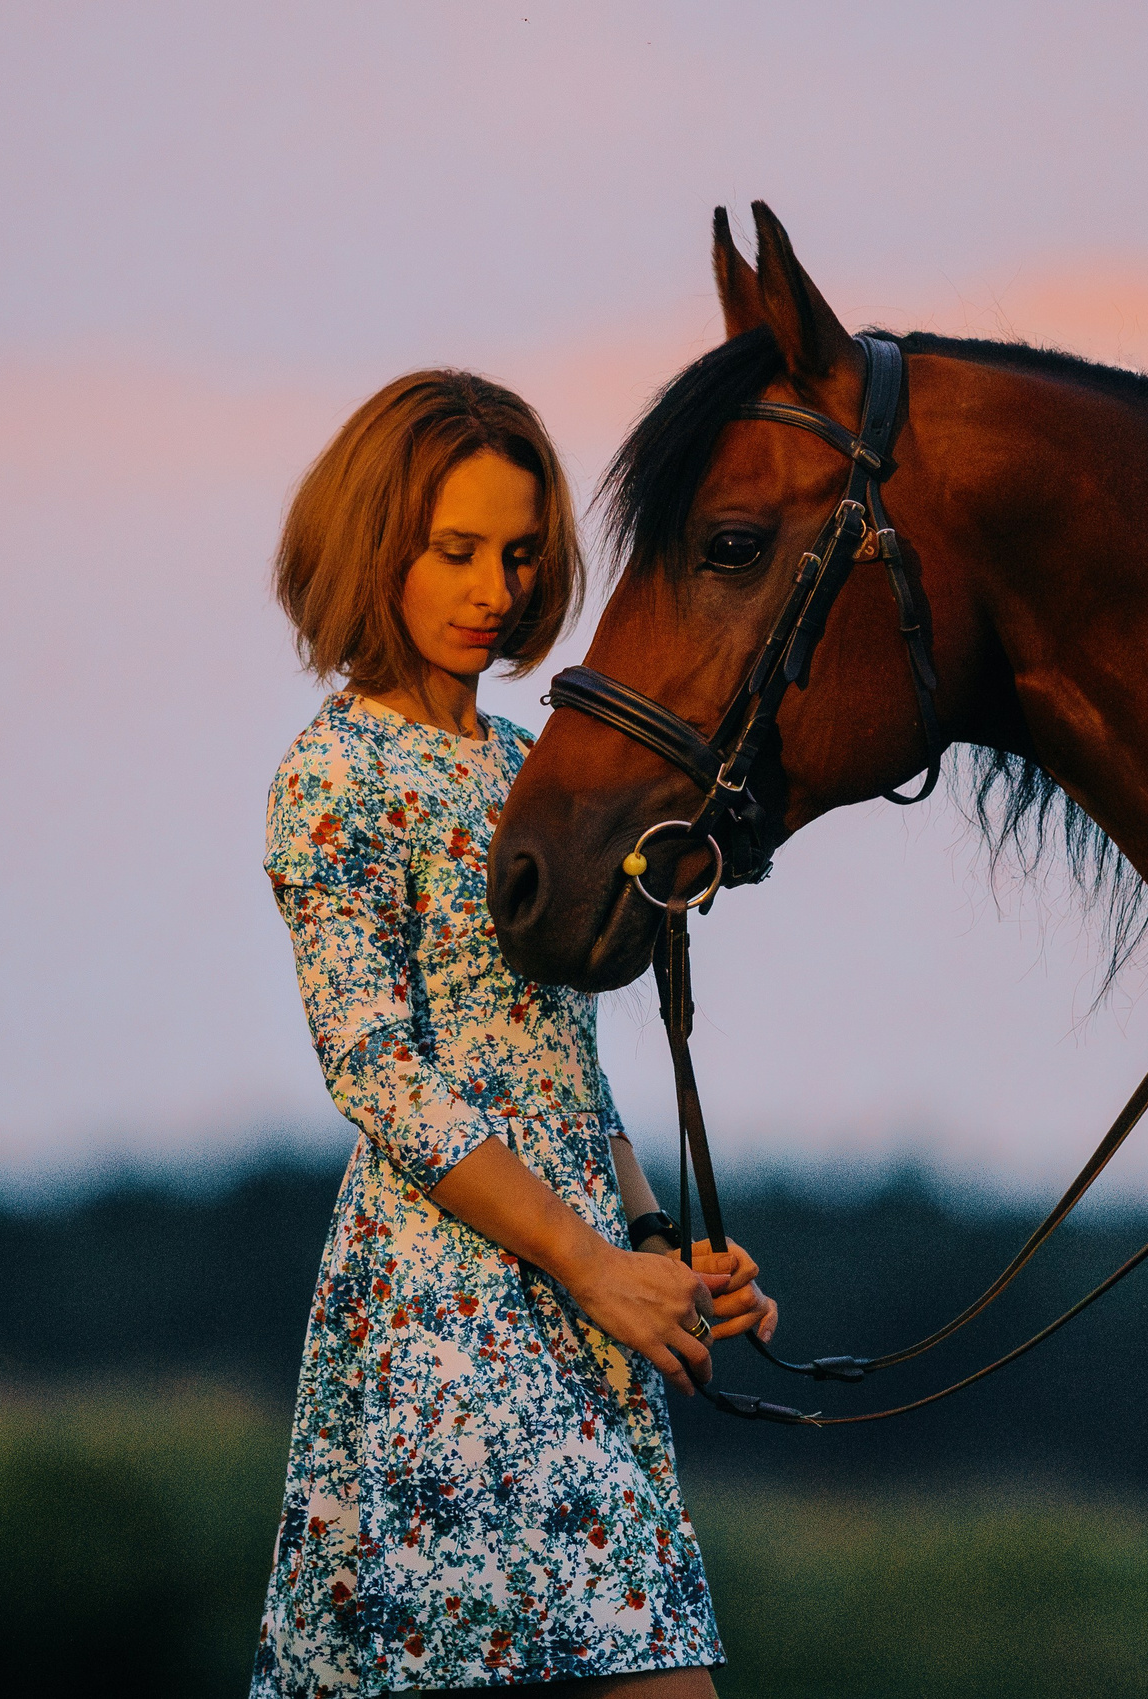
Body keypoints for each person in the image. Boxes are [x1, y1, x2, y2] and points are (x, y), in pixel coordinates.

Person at [250, 369, 776, 1699]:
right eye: (457, 549)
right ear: (376, 548)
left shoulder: (525, 766)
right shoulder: (336, 771)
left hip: (585, 1296)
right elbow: (376, 1068)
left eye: (522, 554)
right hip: (445, 1310)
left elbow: (564, 1066)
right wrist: (588, 1262)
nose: (495, 587)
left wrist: (658, 1247)